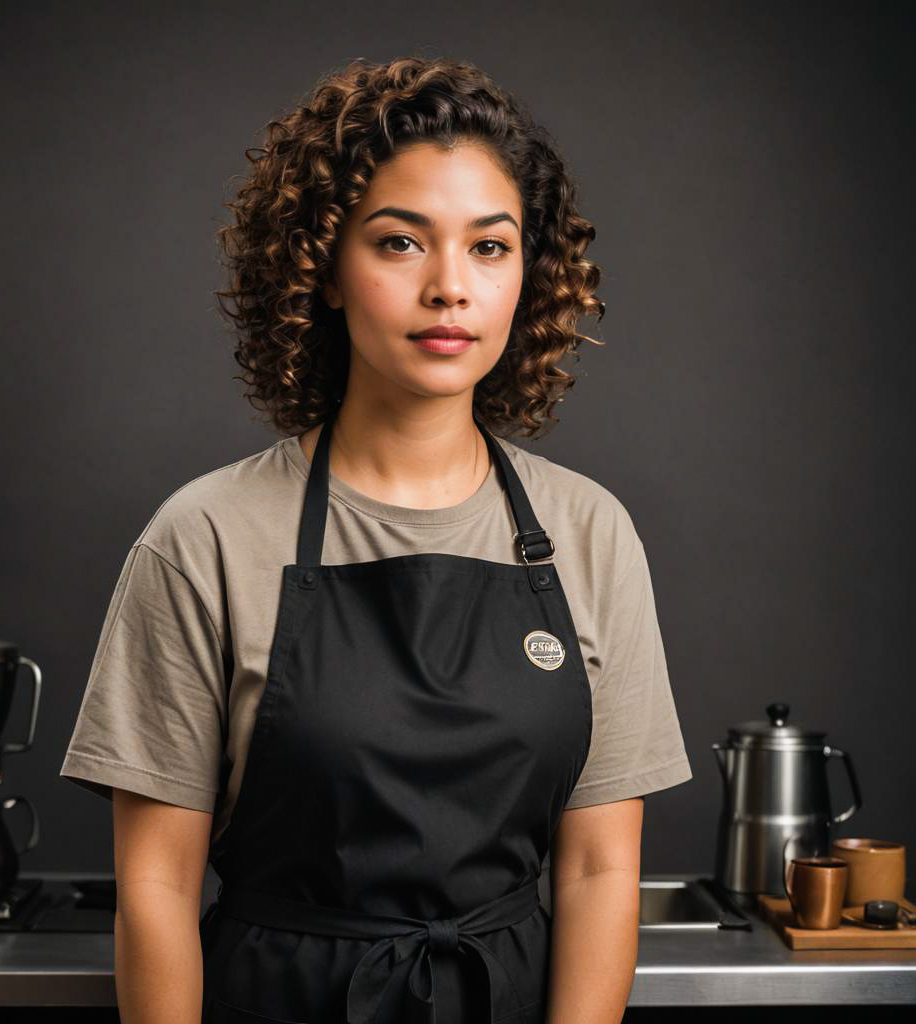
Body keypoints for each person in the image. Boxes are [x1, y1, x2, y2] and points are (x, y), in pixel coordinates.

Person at [60, 54, 693, 1024]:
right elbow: (155, 888)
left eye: (490, 248)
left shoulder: (588, 533)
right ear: (322, 270)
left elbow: (602, 865)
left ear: (531, 274)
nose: (450, 287)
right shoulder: (204, 538)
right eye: (401, 243)